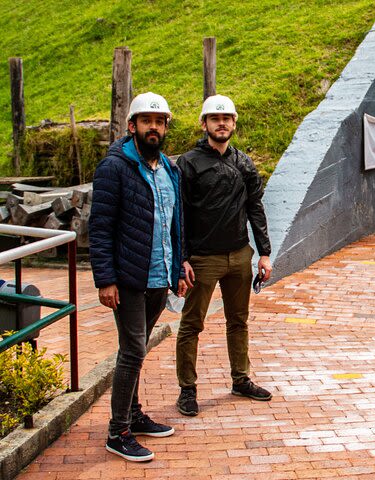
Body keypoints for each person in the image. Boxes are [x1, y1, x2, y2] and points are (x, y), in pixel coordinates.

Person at [89, 92, 187, 462]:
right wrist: (105, 279)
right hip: (129, 278)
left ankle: (133, 414)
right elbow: (99, 228)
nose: (154, 127)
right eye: (147, 121)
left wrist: (177, 268)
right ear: (132, 126)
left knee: (138, 348)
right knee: (133, 350)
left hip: (159, 277)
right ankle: (118, 432)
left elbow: (176, 224)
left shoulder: (170, 170)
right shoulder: (114, 168)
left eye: (160, 122)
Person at [175, 94, 272, 417]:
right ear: (204, 124)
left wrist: (264, 253)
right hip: (202, 259)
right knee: (192, 324)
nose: (221, 123)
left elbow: (255, 208)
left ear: (234, 123)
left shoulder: (243, 163)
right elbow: (180, 214)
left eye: (227, 118)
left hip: (240, 256)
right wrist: (182, 258)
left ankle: (240, 379)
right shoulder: (188, 164)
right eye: (215, 119)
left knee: (239, 321)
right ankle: (187, 389)